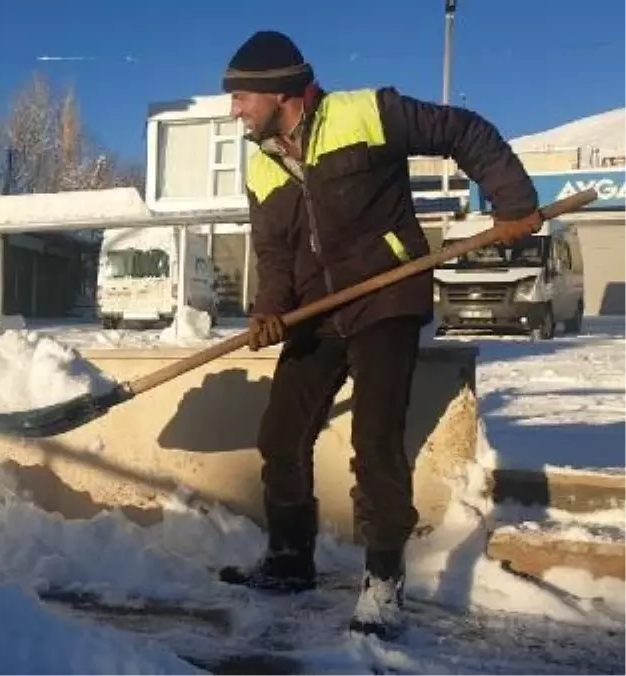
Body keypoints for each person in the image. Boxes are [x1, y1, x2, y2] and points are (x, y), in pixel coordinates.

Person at [215, 30, 542, 640]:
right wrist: (268, 309)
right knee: (280, 434)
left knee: (376, 441)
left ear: (278, 92)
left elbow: (462, 130)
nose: (234, 111)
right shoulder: (262, 165)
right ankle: (290, 561)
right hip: (318, 309)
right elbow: (274, 253)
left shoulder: (366, 113)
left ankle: (384, 584)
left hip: (386, 295)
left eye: (240, 98)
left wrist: (513, 200)